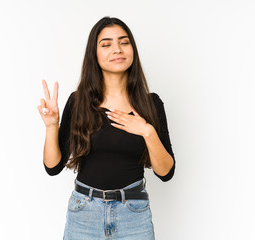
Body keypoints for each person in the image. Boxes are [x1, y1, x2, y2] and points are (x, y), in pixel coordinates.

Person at [37, 16, 175, 240]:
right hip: (84, 213)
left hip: (134, 214)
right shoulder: (78, 101)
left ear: (133, 49)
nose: (117, 49)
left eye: (124, 42)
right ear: (95, 54)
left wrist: (147, 131)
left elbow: (166, 172)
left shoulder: (151, 104)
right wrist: (52, 126)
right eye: (107, 44)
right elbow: (53, 167)